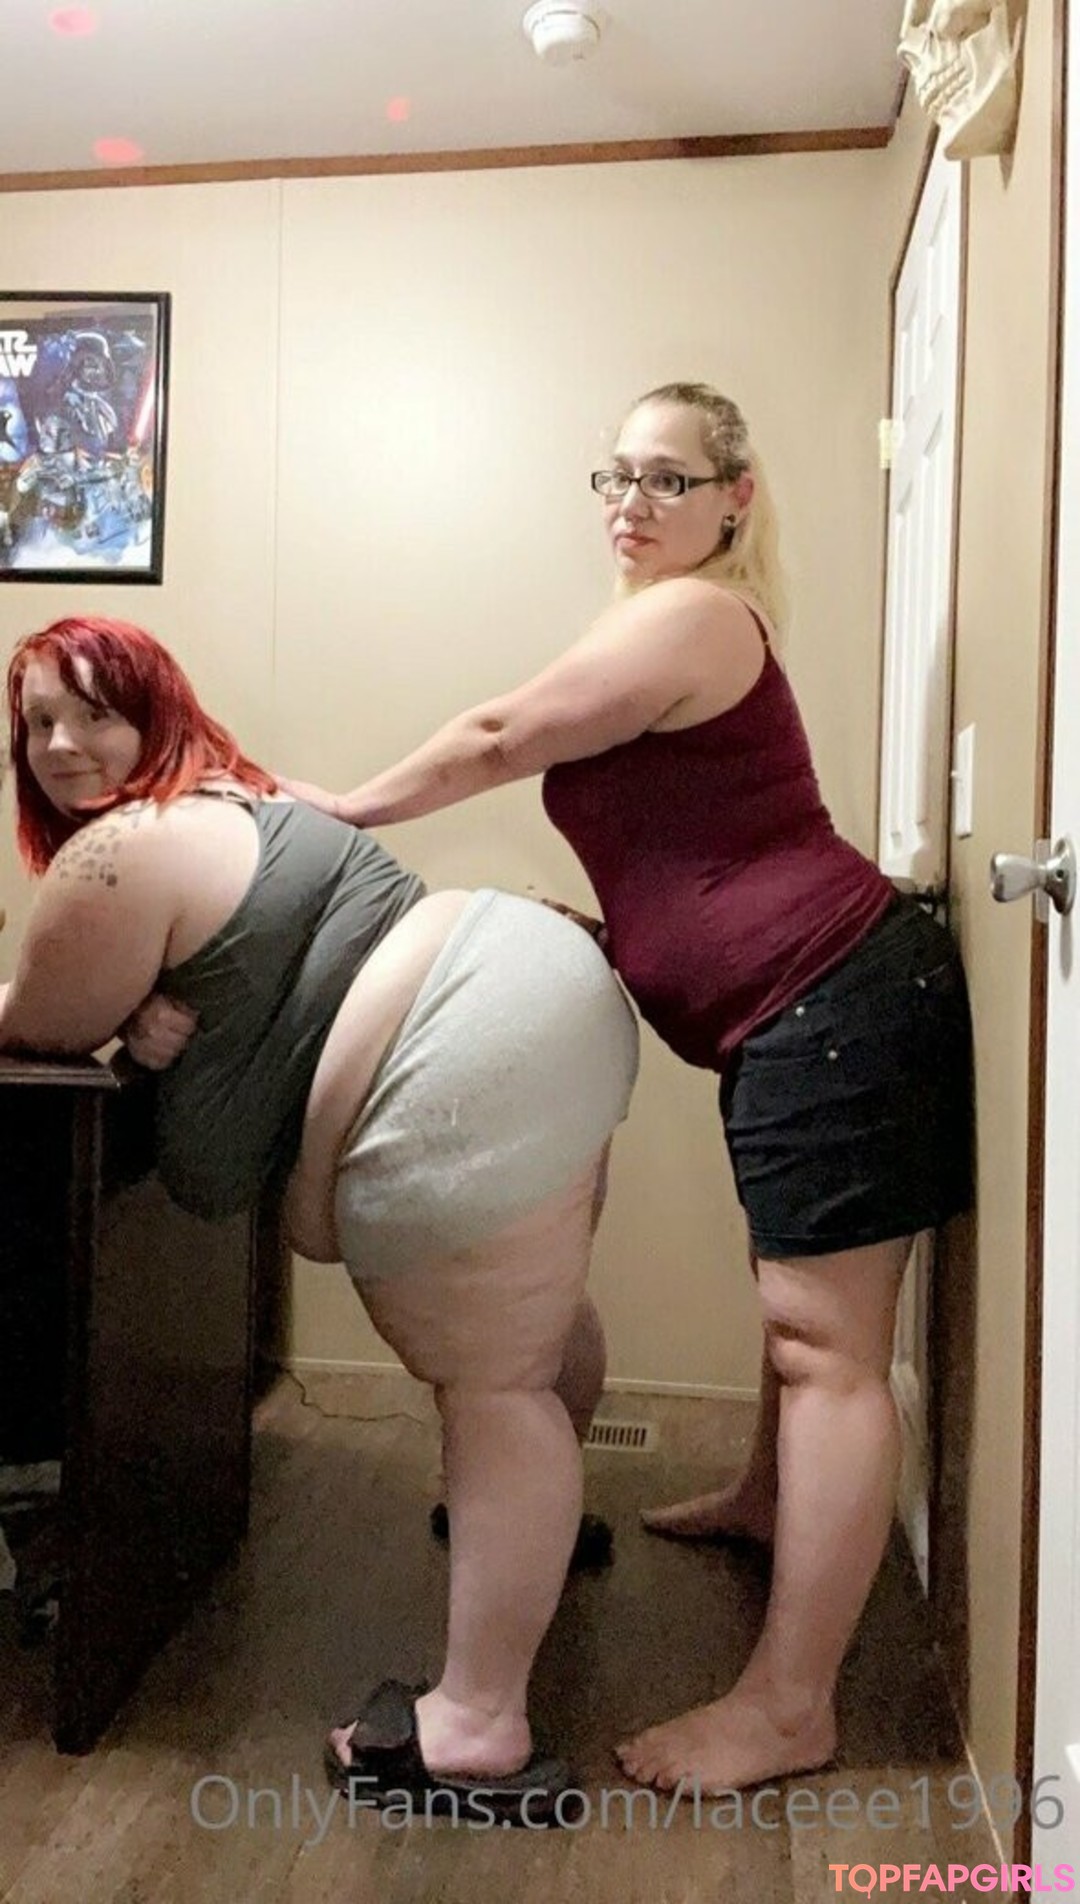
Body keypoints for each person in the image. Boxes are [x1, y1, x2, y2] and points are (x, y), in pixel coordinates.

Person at [282, 381, 975, 1795]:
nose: (632, 503)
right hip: (801, 1008)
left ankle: (790, 1708)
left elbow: (498, 736)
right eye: (617, 475)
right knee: (796, 1318)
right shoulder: (662, 622)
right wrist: (622, 937)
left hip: (835, 999)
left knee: (827, 1349)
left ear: (736, 498)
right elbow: (687, 844)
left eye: (669, 478)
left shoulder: (698, 615)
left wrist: (343, 807)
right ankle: (770, 1500)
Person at [0, 614, 639, 1824]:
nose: (63, 743)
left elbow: (35, 1022)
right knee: (540, 1323)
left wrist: (111, 1013)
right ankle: (538, 1538)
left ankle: (478, 1726)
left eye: (95, 711)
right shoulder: (243, 804)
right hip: (531, 971)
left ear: (159, 710)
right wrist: (140, 1010)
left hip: (456, 1045)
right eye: (36, 722)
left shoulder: (119, 853)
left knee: (493, 1383)